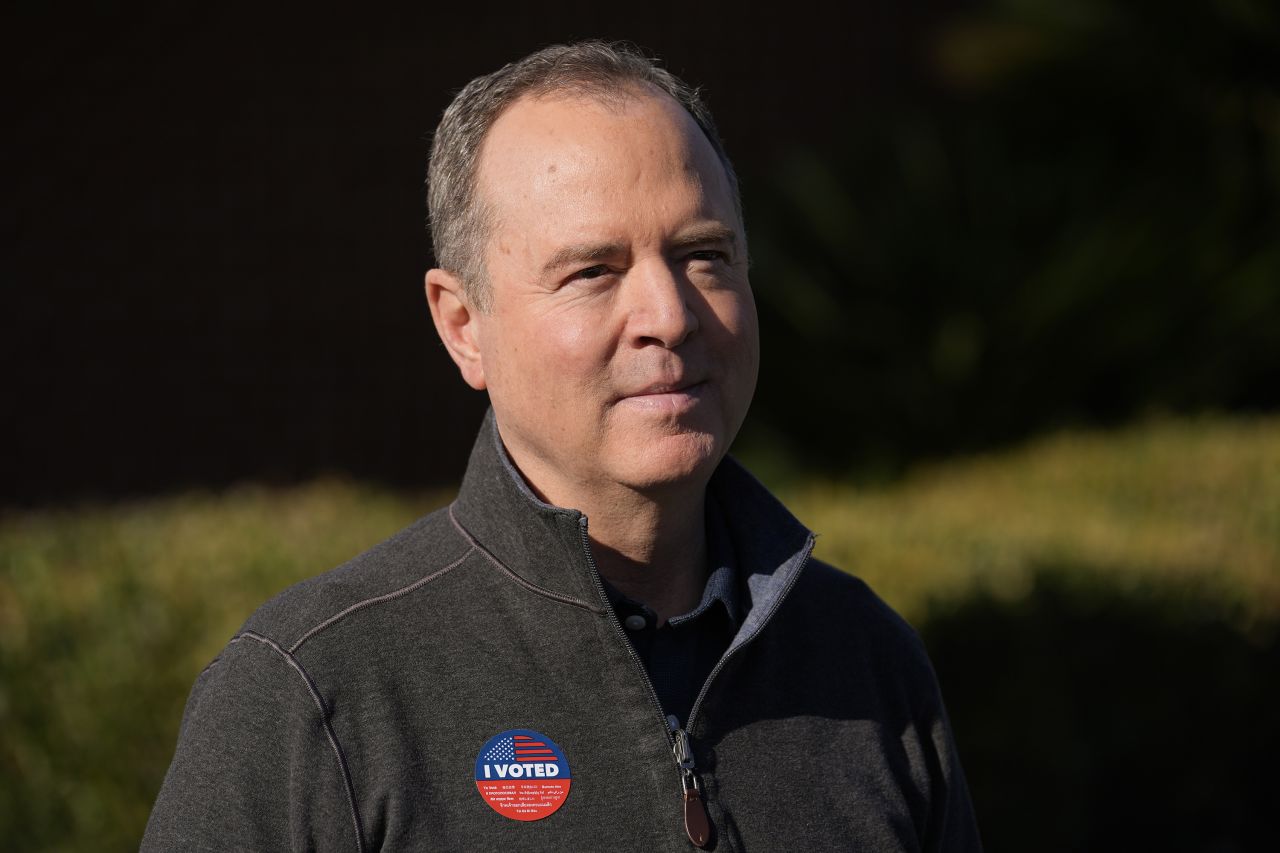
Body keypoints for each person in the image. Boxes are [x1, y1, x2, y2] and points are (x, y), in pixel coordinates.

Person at [143, 41, 981, 851]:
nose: (670, 315)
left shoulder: (864, 658)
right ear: (463, 326)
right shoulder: (316, 693)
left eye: (704, 255)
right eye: (593, 271)